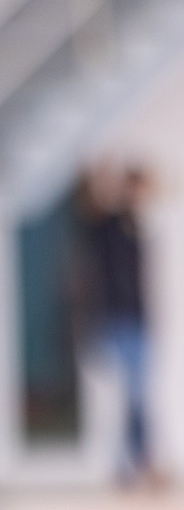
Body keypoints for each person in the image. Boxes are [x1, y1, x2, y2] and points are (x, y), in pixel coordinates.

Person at [78, 165, 161, 488]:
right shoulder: (104, 225)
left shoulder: (137, 225)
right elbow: (91, 201)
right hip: (112, 319)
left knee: (138, 398)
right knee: (118, 399)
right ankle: (124, 466)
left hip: (137, 320)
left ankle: (140, 462)